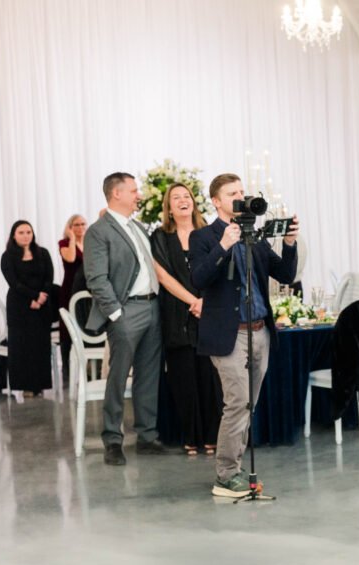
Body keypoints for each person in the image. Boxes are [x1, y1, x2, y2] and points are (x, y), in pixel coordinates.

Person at [190, 173, 298, 497]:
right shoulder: (203, 237)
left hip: (260, 331)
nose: (240, 196)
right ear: (216, 201)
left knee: (248, 404)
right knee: (237, 403)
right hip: (229, 336)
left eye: (242, 191)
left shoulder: (256, 237)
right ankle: (226, 476)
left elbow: (287, 274)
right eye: (232, 193)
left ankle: (233, 467)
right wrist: (224, 246)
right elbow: (199, 279)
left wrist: (289, 243)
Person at [83, 173, 165, 465]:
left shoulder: (138, 227)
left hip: (152, 308)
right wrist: (116, 313)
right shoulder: (98, 231)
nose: (138, 195)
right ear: (116, 193)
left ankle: (146, 436)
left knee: (149, 374)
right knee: (118, 377)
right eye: (133, 190)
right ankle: (112, 440)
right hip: (125, 311)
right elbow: (96, 278)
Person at [150, 183, 222, 456]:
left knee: (209, 376)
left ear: (194, 202)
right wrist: (193, 301)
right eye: (176, 198)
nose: (182, 201)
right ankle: (191, 436)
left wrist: (205, 301)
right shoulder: (159, 236)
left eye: (186, 197)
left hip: (209, 311)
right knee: (184, 378)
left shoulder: (208, 234)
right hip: (177, 313)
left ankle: (212, 436)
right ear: (169, 207)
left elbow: (219, 267)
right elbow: (163, 276)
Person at [0, 220, 55, 396]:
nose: (25, 236)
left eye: (28, 232)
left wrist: (41, 297)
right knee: (22, 348)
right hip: (19, 307)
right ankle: (25, 387)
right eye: (21, 232)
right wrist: (33, 297)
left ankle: (39, 386)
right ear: (13, 236)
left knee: (40, 347)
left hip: (41, 305)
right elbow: (14, 283)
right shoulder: (7, 256)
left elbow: (49, 277)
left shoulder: (43, 253)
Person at [57, 214, 87, 373]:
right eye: (76, 224)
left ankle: (86, 365)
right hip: (69, 289)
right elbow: (70, 258)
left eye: (83, 224)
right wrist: (72, 238)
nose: (80, 227)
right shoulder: (65, 243)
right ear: (70, 227)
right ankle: (66, 366)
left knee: (85, 324)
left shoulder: (90, 242)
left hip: (86, 290)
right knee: (67, 328)